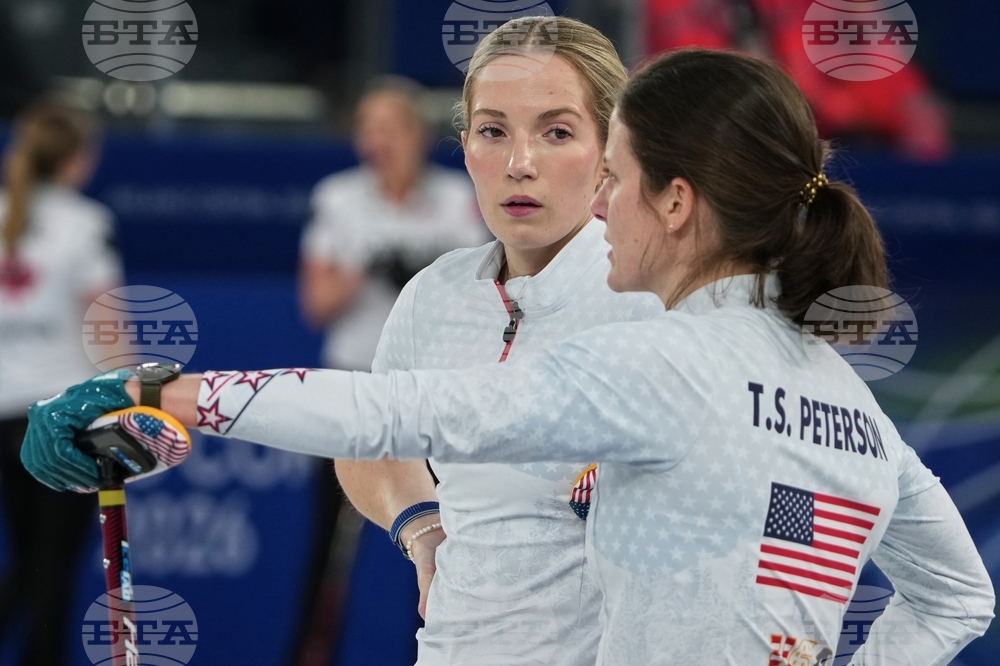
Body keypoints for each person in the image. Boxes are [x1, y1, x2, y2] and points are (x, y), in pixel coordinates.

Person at [20, 48, 995, 665]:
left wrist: (170, 389)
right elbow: (947, 590)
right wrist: (424, 529)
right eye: (492, 131)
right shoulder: (838, 397)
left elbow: (401, 412)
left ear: (673, 201)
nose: (535, 167)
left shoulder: (661, 358)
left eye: (606, 164)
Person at [335, 16, 661, 665]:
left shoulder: (658, 300)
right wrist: (419, 526)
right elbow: (366, 441)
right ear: (464, 147)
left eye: (557, 132)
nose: (519, 164)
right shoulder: (434, 294)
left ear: (610, 152)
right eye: (493, 131)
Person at [293, 75, 490, 664]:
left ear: (416, 134)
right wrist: (368, 266)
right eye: (366, 129)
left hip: (431, 392)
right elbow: (317, 303)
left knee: (440, 541)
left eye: (389, 128)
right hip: (354, 391)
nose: (377, 141)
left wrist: (422, 270)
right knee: (328, 553)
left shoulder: (457, 197)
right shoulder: (338, 198)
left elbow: (481, 294)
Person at [0, 100, 122, 665]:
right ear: (76, 160)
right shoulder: (84, 223)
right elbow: (108, 331)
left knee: (30, 566)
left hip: (5, 416)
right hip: (61, 423)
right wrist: (133, 406)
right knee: (48, 572)